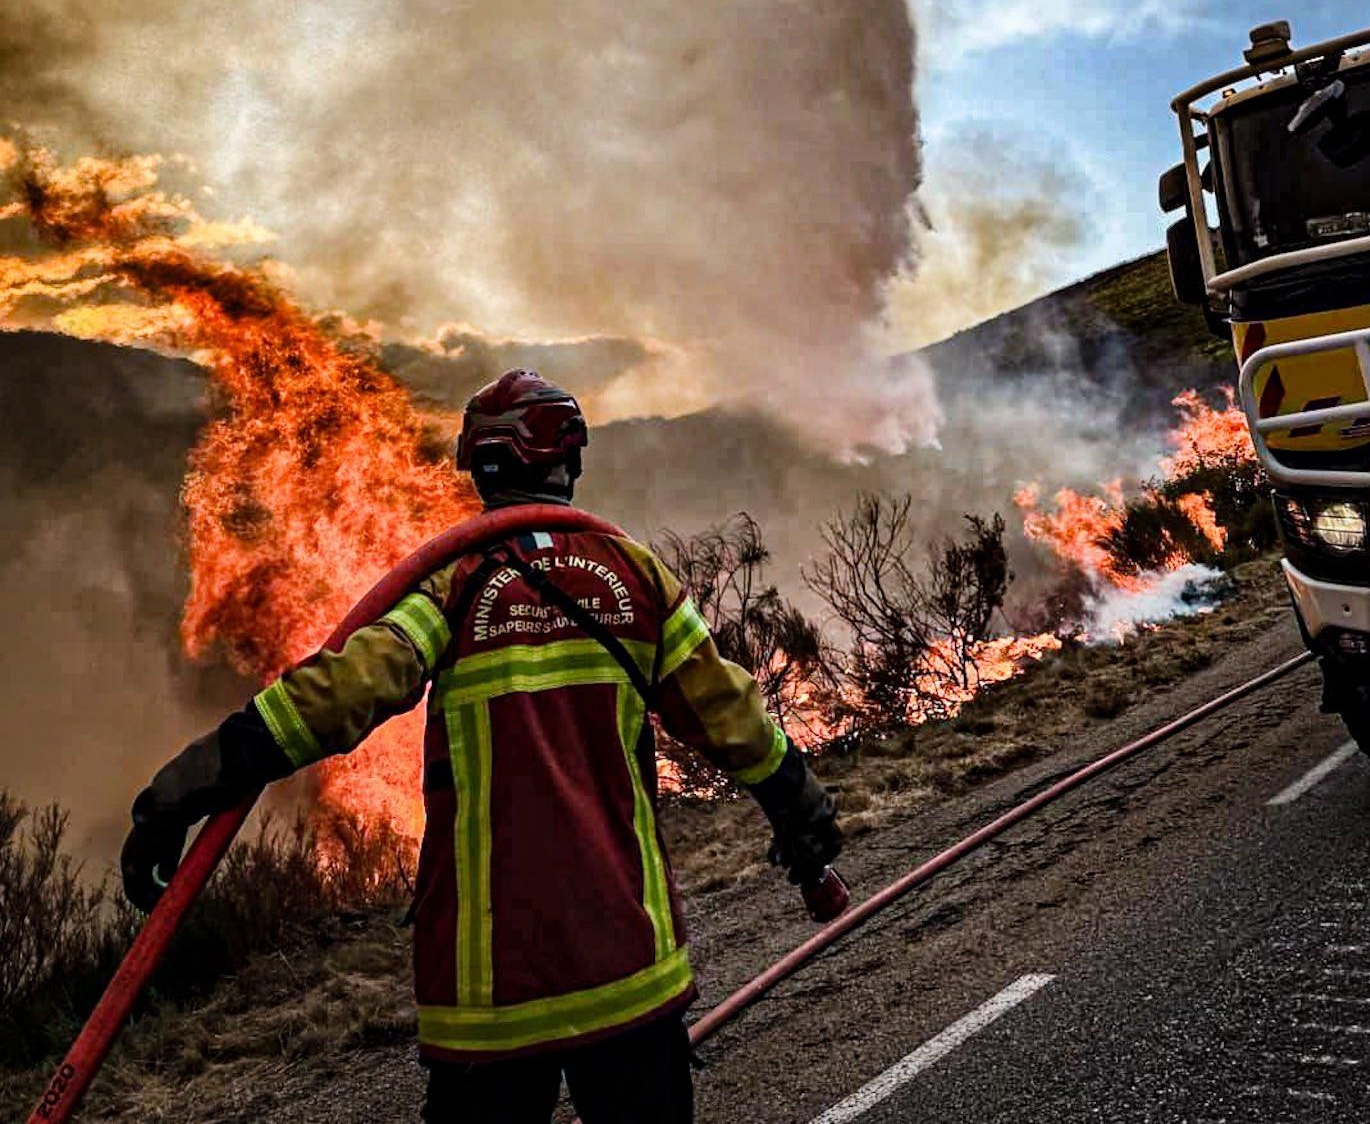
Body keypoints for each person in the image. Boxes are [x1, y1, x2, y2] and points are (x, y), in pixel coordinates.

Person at [122, 369, 842, 1124]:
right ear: (568, 461)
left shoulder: (453, 586)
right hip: (629, 971)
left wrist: (185, 788)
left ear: (482, 472)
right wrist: (800, 808)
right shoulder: (637, 578)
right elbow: (731, 716)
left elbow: (337, 694)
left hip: (491, 999)